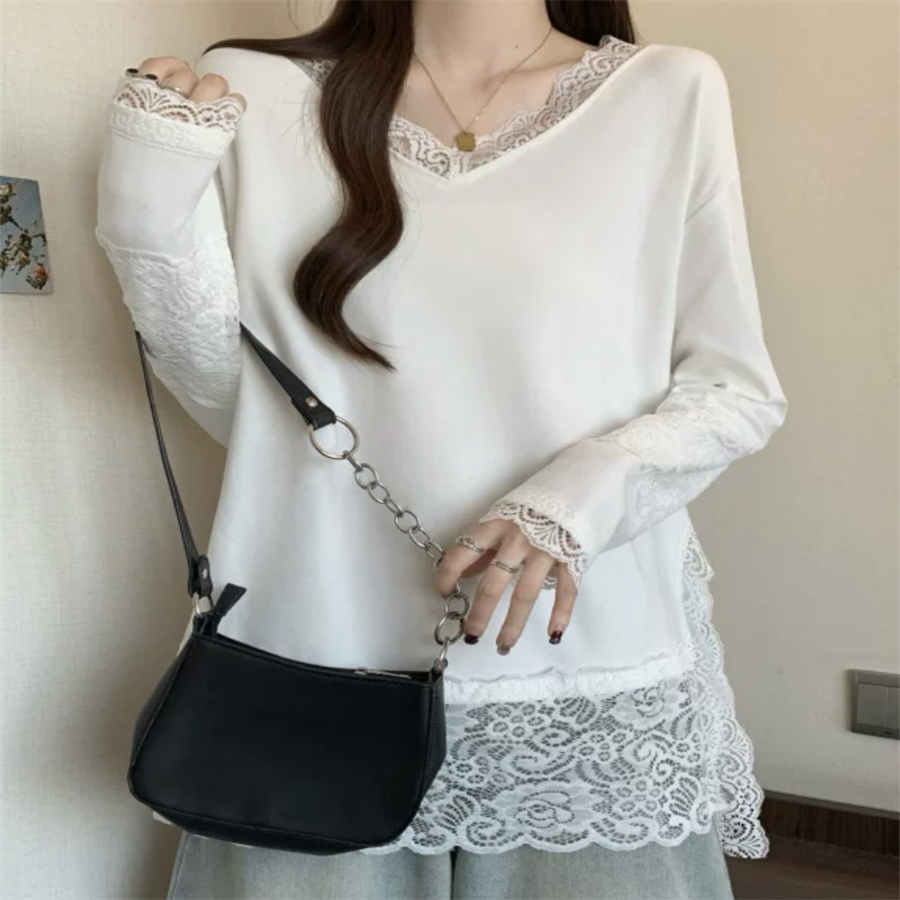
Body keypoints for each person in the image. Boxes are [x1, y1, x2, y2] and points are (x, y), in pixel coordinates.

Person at [94, 1, 787, 897]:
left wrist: (575, 500)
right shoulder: (255, 87)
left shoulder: (665, 92)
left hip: (583, 661)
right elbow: (250, 413)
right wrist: (143, 220)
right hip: (313, 649)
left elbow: (734, 389)